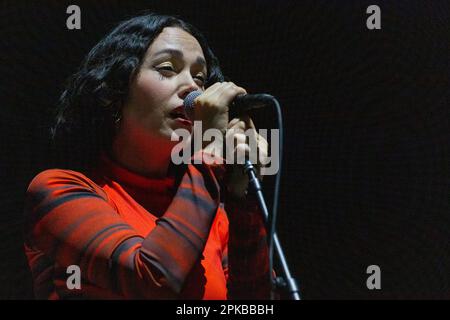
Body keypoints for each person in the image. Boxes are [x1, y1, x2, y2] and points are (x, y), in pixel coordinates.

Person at [23, 13, 271, 300]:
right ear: (112, 92)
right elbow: (153, 281)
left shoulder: (212, 213)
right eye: (167, 68)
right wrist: (211, 154)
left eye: (200, 77)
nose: (193, 88)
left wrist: (243, 201)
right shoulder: (57, 191)